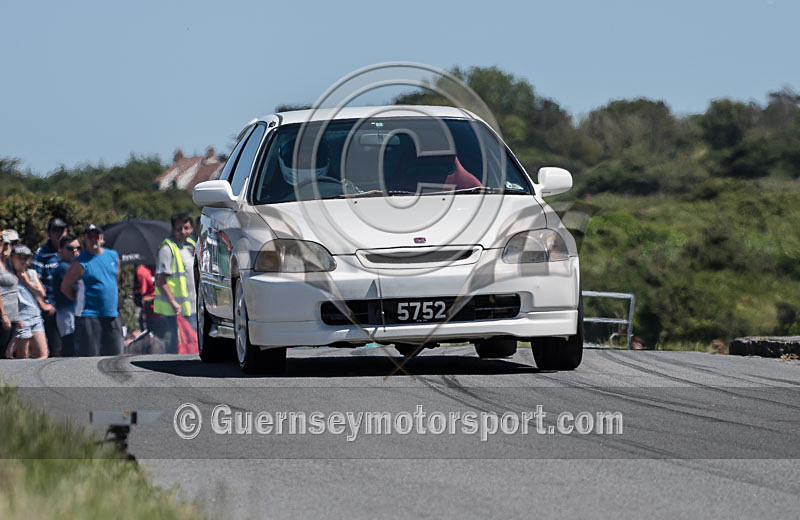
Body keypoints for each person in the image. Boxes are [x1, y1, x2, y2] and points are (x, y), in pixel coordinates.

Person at [60, 224, 123, 356]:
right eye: (90, 236)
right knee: (90, 358)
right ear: (85, 239)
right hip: (89, 315)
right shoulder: (80, 262)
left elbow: (115, 279)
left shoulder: (113, 256)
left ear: (102, 239)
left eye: (96, 236)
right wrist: (78, 300)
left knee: (116, 356)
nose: (93, 239)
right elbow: (65, 287)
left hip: (111, 313)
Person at [153, 213, 197, 354]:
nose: (183, 232)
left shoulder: (191, 246)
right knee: (178, 347)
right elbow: (160, 280)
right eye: (179, 228)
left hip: (192, 307)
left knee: (192, 346)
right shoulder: (167, 249)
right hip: (176, 310)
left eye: (186, 228)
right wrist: (174, 304)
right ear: (173, 229)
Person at [32, 217, 68, 356]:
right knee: (56, 348)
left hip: (70, 306)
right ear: (49, 233)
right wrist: (44, 303)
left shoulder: (71, 247)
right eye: (55, 230)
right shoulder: (41, 253)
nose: (59, 233)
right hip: (52, 308)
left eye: (62, 230)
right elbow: (35, 280)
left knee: (72, 346)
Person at [7, 244, 49, 359]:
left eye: (26, 257)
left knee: (42, 354)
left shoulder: (31, 273)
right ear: (12, 258)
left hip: (35, 315)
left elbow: (41, 293)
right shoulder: (9, 276)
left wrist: (26, 281)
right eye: (20, 257)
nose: (23, 260)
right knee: (23, 356)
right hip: (21, 316)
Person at [52, 234, 81, 357]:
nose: (75, 251)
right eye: (70, 248)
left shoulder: (73, 267)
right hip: (67, 314)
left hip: (72, 313)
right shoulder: (63, 268)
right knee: (70, 349)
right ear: (61, 250)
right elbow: (74, 289)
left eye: (78, 248)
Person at [0, 230, 21, 356]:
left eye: (9, 244)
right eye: (3, 243)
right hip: (3, 315)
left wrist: (18, 316)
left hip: (13, 315)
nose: (7, 246)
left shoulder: (9, 264)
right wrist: (3, 315)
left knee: (6, 354)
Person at [134, 264, 156, 331]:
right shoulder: (142, 271)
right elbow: (142, 299)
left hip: (164, 315)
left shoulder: (163, 267)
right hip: (150, 317)